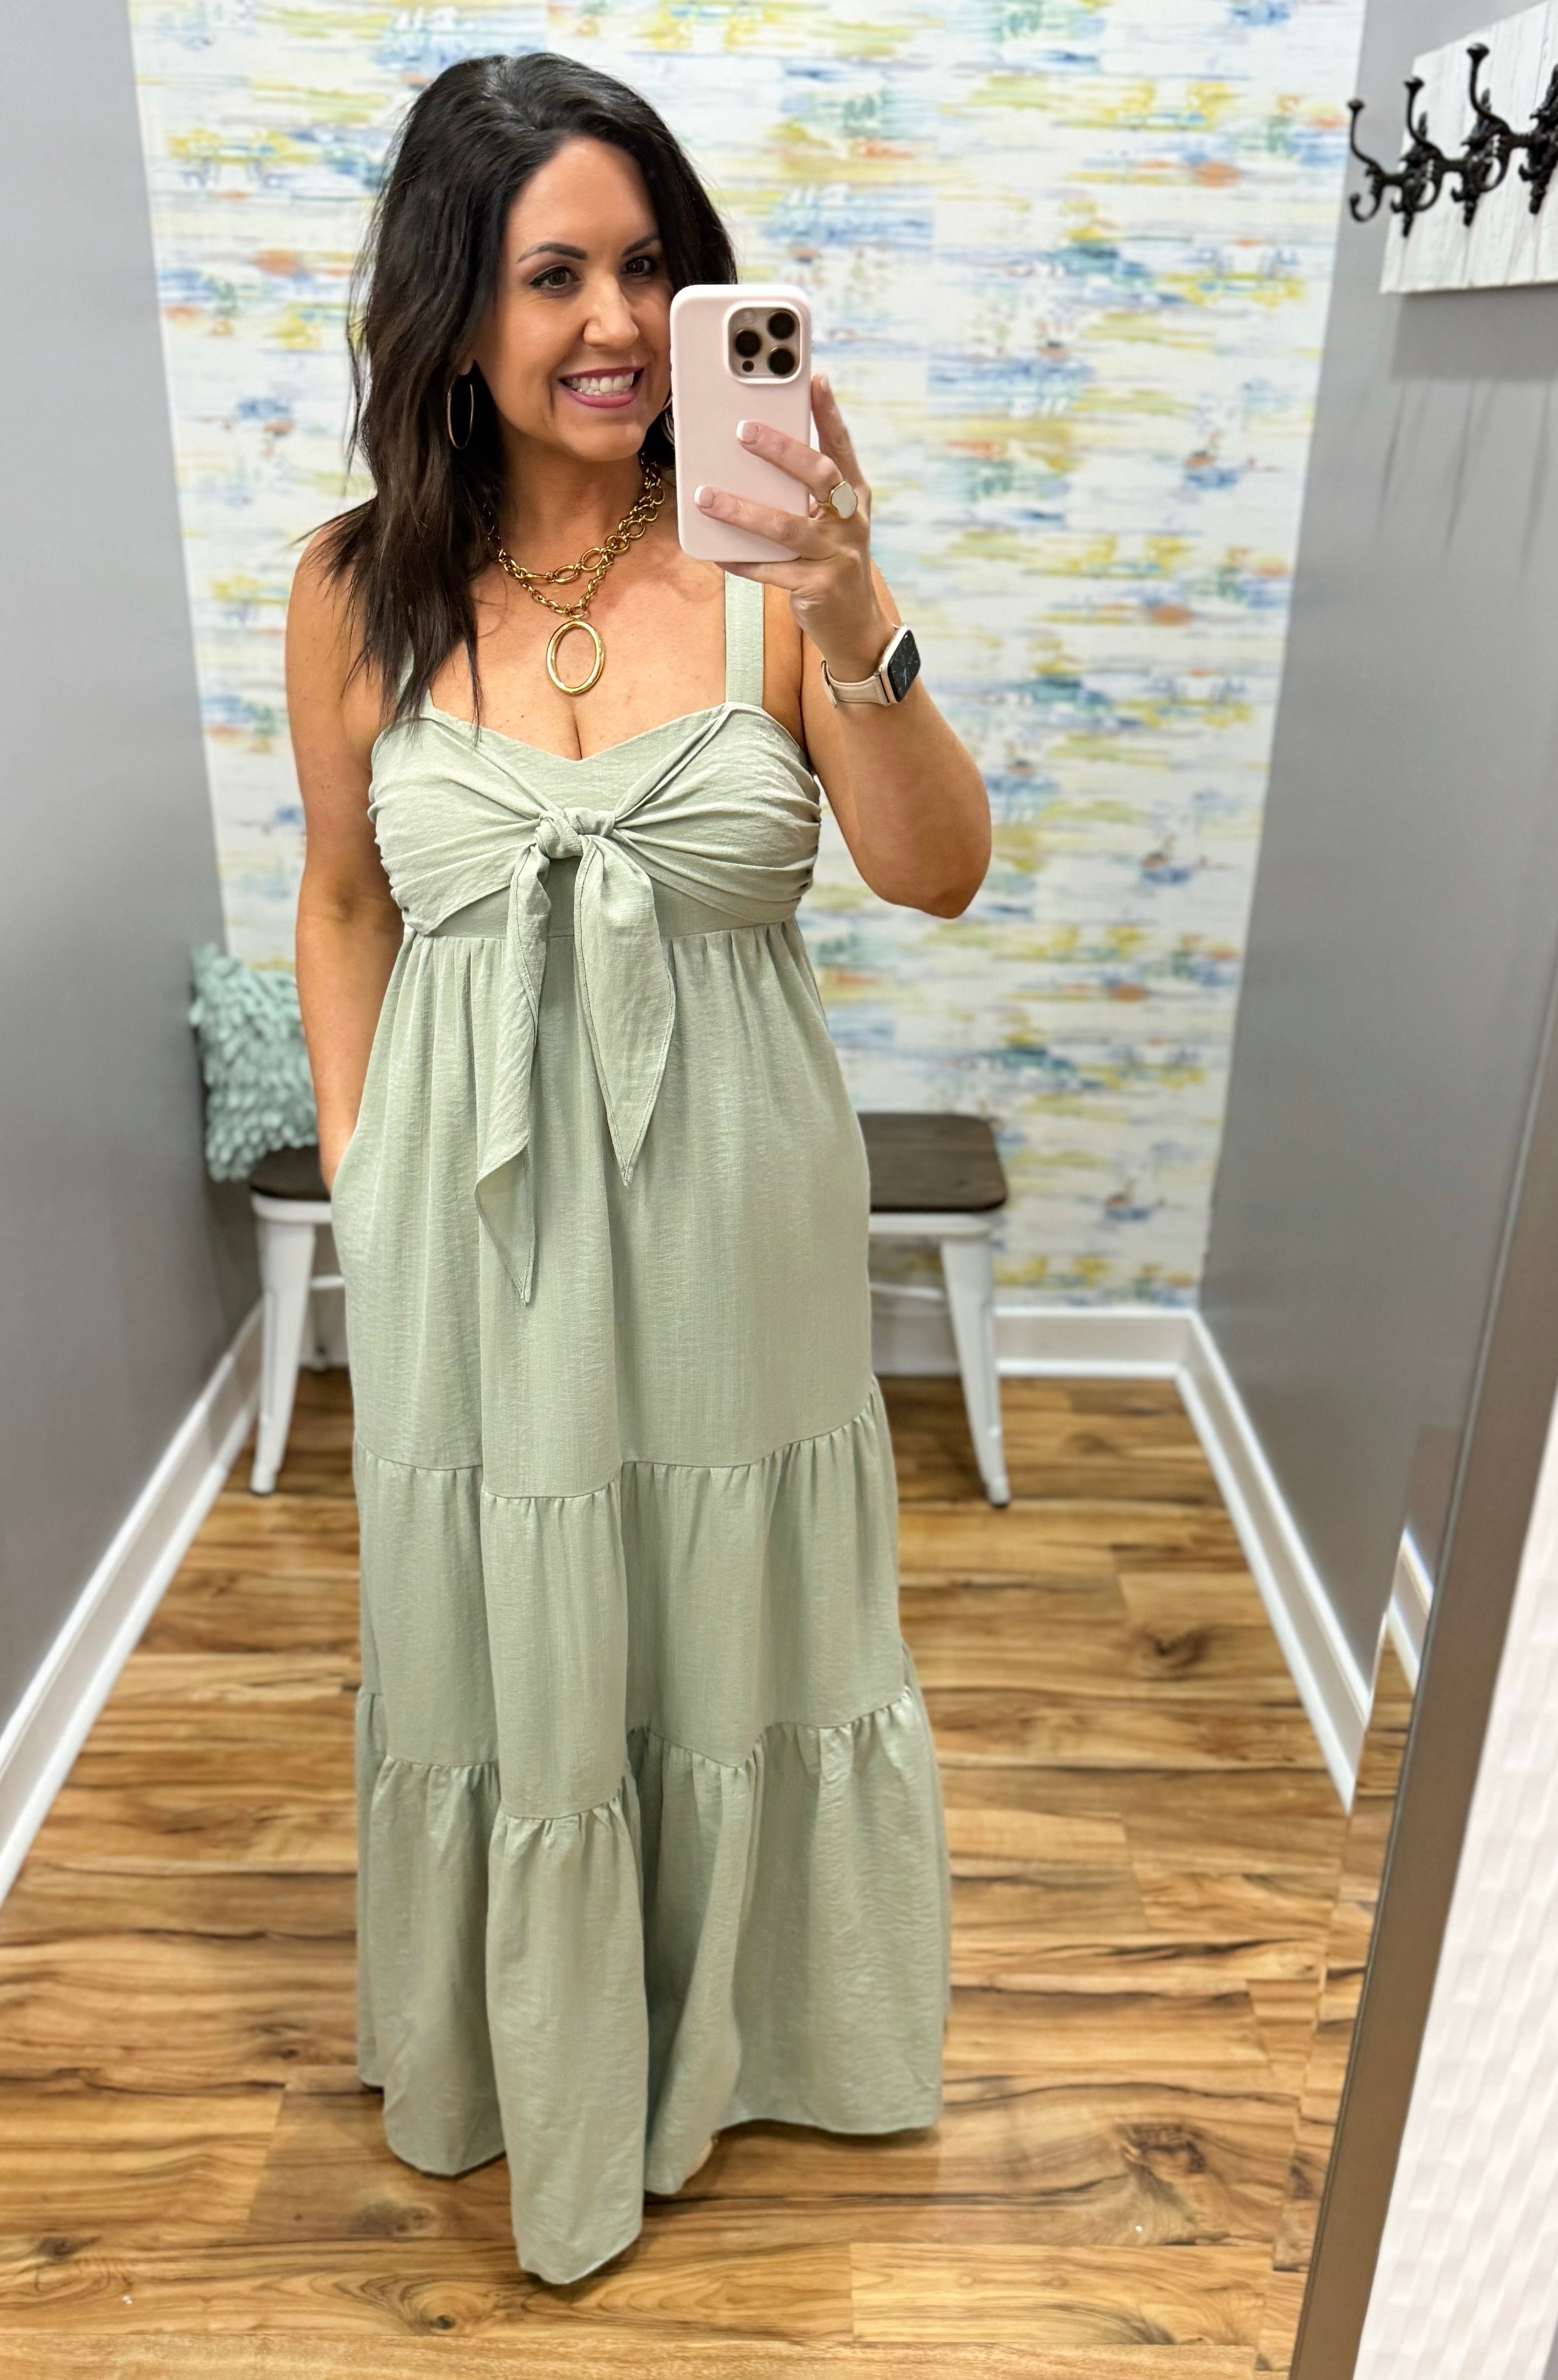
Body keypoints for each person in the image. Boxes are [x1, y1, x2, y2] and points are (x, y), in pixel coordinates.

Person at [284, 51, 991, 2286]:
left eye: (651, 265)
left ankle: (763, 2020)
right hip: (465, 1233)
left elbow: (935, 872)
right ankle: (531, 2042)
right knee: (512, 1630)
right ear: (450, 312)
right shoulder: (350, 594)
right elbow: (339, 904)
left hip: (732, 1216)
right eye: (553, 271)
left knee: (734, 1606)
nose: (613, 319)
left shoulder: (779, 572)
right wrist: (367, 1165)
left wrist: (858, 597)